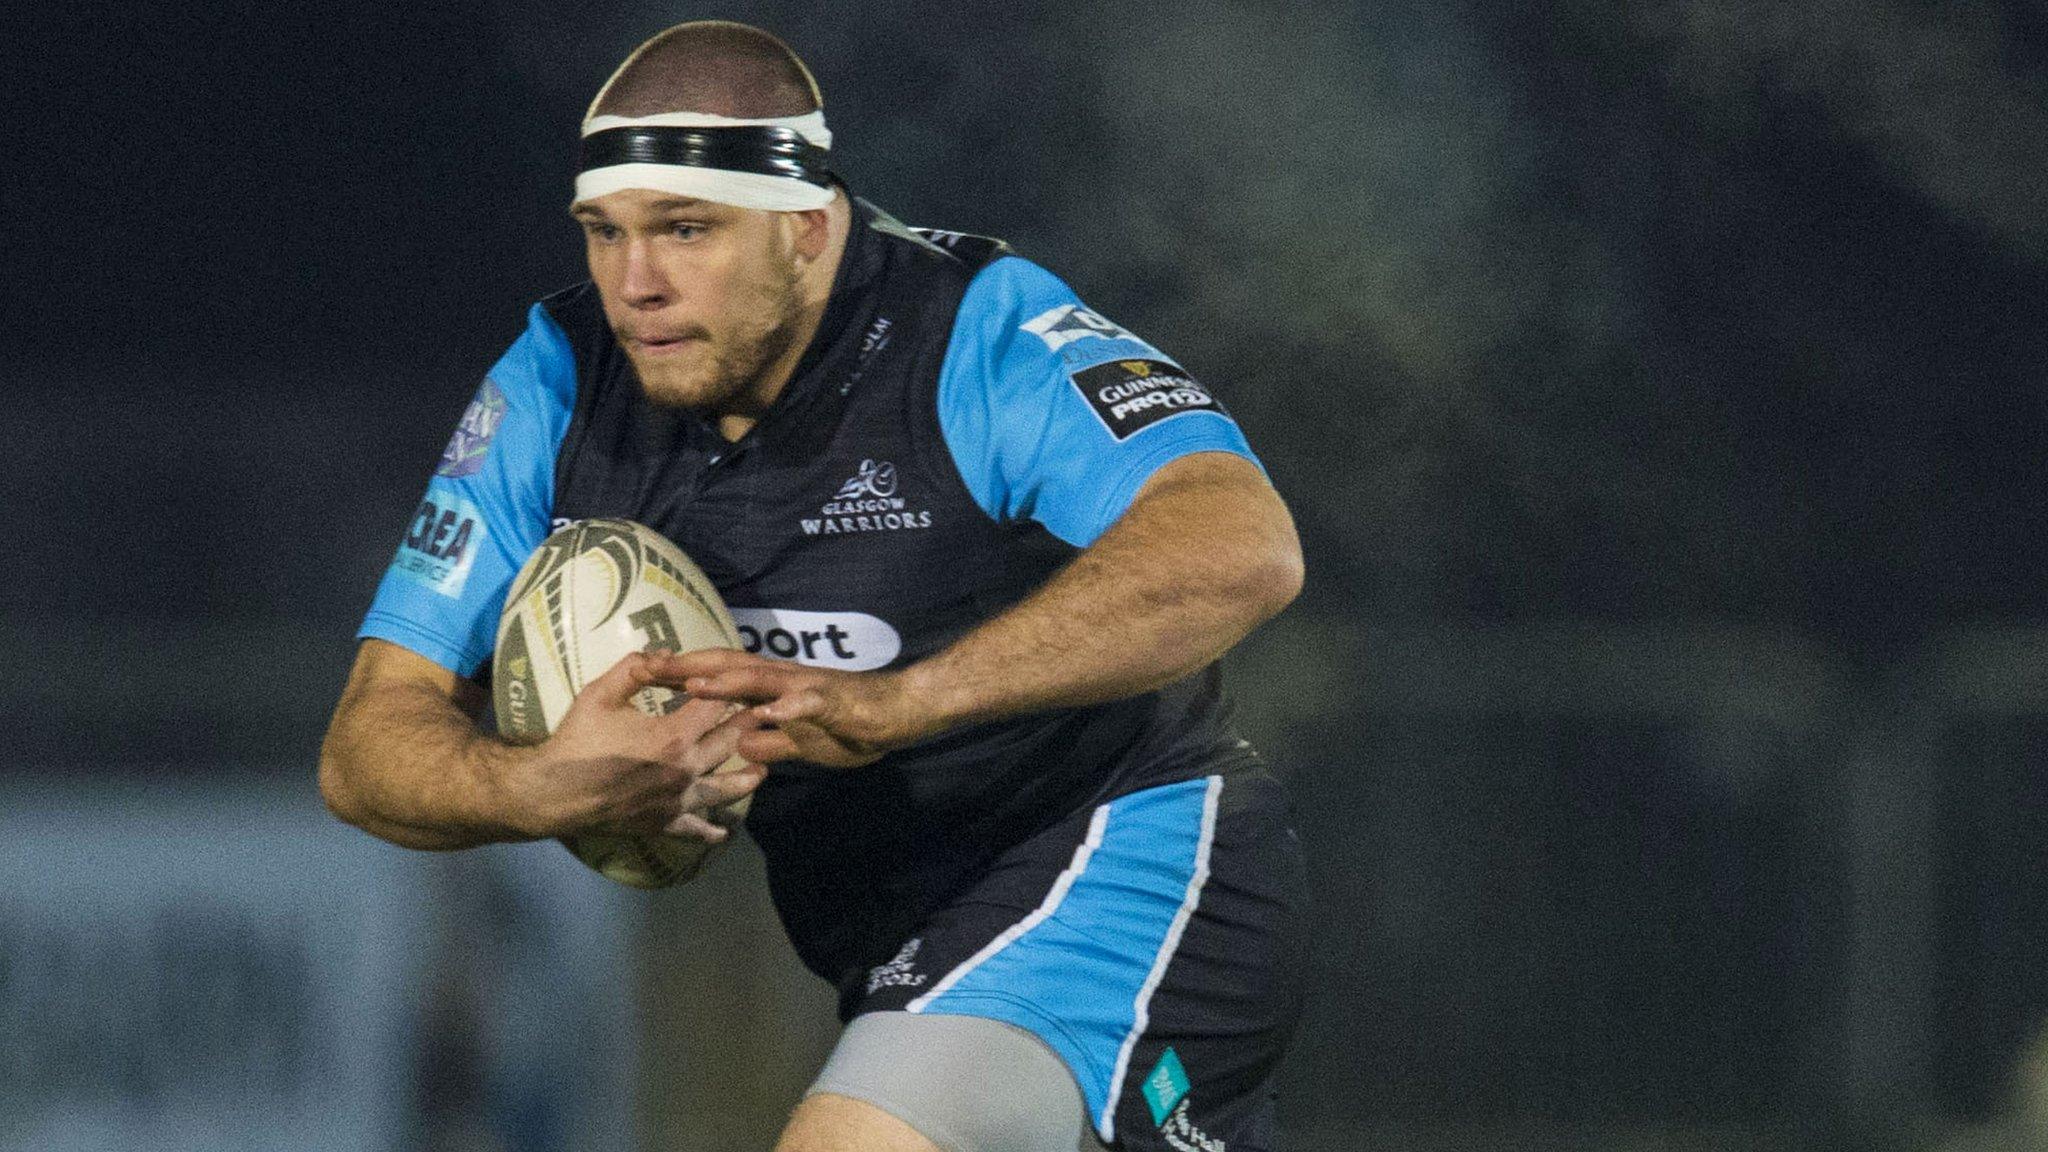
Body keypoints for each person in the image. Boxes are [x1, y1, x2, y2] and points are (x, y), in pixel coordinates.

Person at [320, 20, 1308, 1152]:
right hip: (890, 941)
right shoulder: (558, 379)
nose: (634, 283)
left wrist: (907, 703)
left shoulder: (977, 330)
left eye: (686, 229)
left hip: (1123, 860)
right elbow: (363, 748)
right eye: (604, 232)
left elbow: (1240, 544)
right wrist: (537, 788)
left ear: (805, 223)